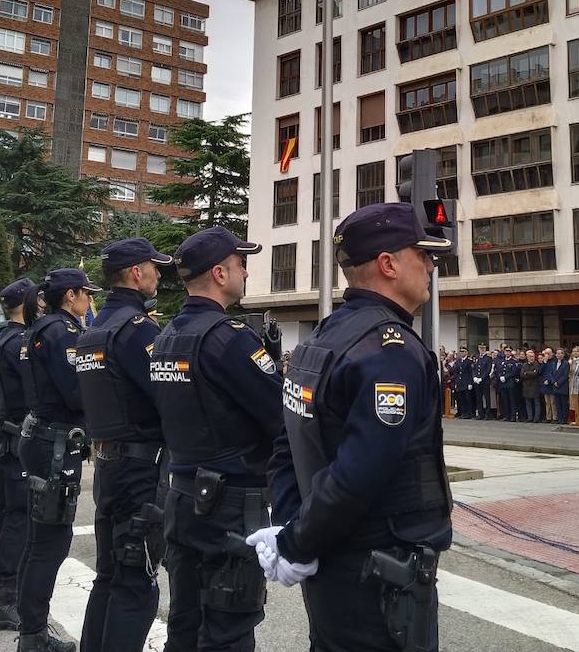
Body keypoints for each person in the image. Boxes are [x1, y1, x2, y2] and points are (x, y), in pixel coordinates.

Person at [258, 202, 453, 652]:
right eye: (421, 255)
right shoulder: (390, 351)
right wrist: (295, 543)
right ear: (388, 264)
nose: (430, 265)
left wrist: (293, 530)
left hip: (334, 561)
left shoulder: (321, 339)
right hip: (379, 570)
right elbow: (358, 474)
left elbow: (287, 448)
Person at [149, 225, 282, 652]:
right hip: (227, 505)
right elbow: (279, 415)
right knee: (227, 632)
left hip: (183, 496)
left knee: (184, 626)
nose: (246, 272)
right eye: (242, 264)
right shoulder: (228, 338)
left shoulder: (166, 337)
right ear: (220, 274)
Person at [74, 237, 173, 652]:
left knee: (110, 577)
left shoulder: (94, 328)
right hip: (140, 471)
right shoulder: (137, 330)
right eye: (154, 267)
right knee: (136, 585)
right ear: (136, 273)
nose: (158, 274)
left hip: (109, 465)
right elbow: (168, 395)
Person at [16, 271, 97, 652]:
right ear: (71, 295)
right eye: (86, 295)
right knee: (50, 543)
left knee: (39, 542)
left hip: (43, 436)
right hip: (54, 443)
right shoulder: (62, 332)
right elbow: (76, 392)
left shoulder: (41, 327)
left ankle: (31, 629)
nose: (89, 302)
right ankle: (33, 635)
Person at [0, 279, 34, 632]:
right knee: (17, 517)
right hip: (18, 438)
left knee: (3, 512)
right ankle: (5, 599)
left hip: (3, 435)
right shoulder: (21, 343)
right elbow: (34, 390)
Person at [519, 349, 541, 423]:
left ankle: (536, 418)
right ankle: (530, 417)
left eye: (533, 356)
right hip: (526, 386)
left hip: (535, 386)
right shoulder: (524, 365)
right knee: (528, 403)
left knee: (536, 403)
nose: (532, 358)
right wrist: (530, 373)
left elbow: (536, 373)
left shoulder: (536, 364)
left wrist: (527, 373)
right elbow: (521, 375)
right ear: (527, 357)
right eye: (530, 356)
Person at [550, 348, 571, 424]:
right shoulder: (553, 363)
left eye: (560, 353)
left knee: (563, 404)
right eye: (557, 354)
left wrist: (558, 383)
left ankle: (564, 419)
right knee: (557, 404)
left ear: (563, 354)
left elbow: (565, 375)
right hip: (555, 386)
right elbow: (551, 374)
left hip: (562, 386)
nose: (558, 355)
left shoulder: (566, 363)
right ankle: (559, 418)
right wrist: (553, 382)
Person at [473, 344, 493, 420]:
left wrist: (481, 378)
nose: (481, 349)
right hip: (477, 381)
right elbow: (474, 368)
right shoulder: (476, 357)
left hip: (484, 381)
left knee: (487, 397)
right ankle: (480, 413)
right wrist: (474, 377)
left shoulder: (488, 358)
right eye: (480, 348)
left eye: (483, 348)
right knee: (478, 398)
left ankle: (487, 414)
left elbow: (488, 370)